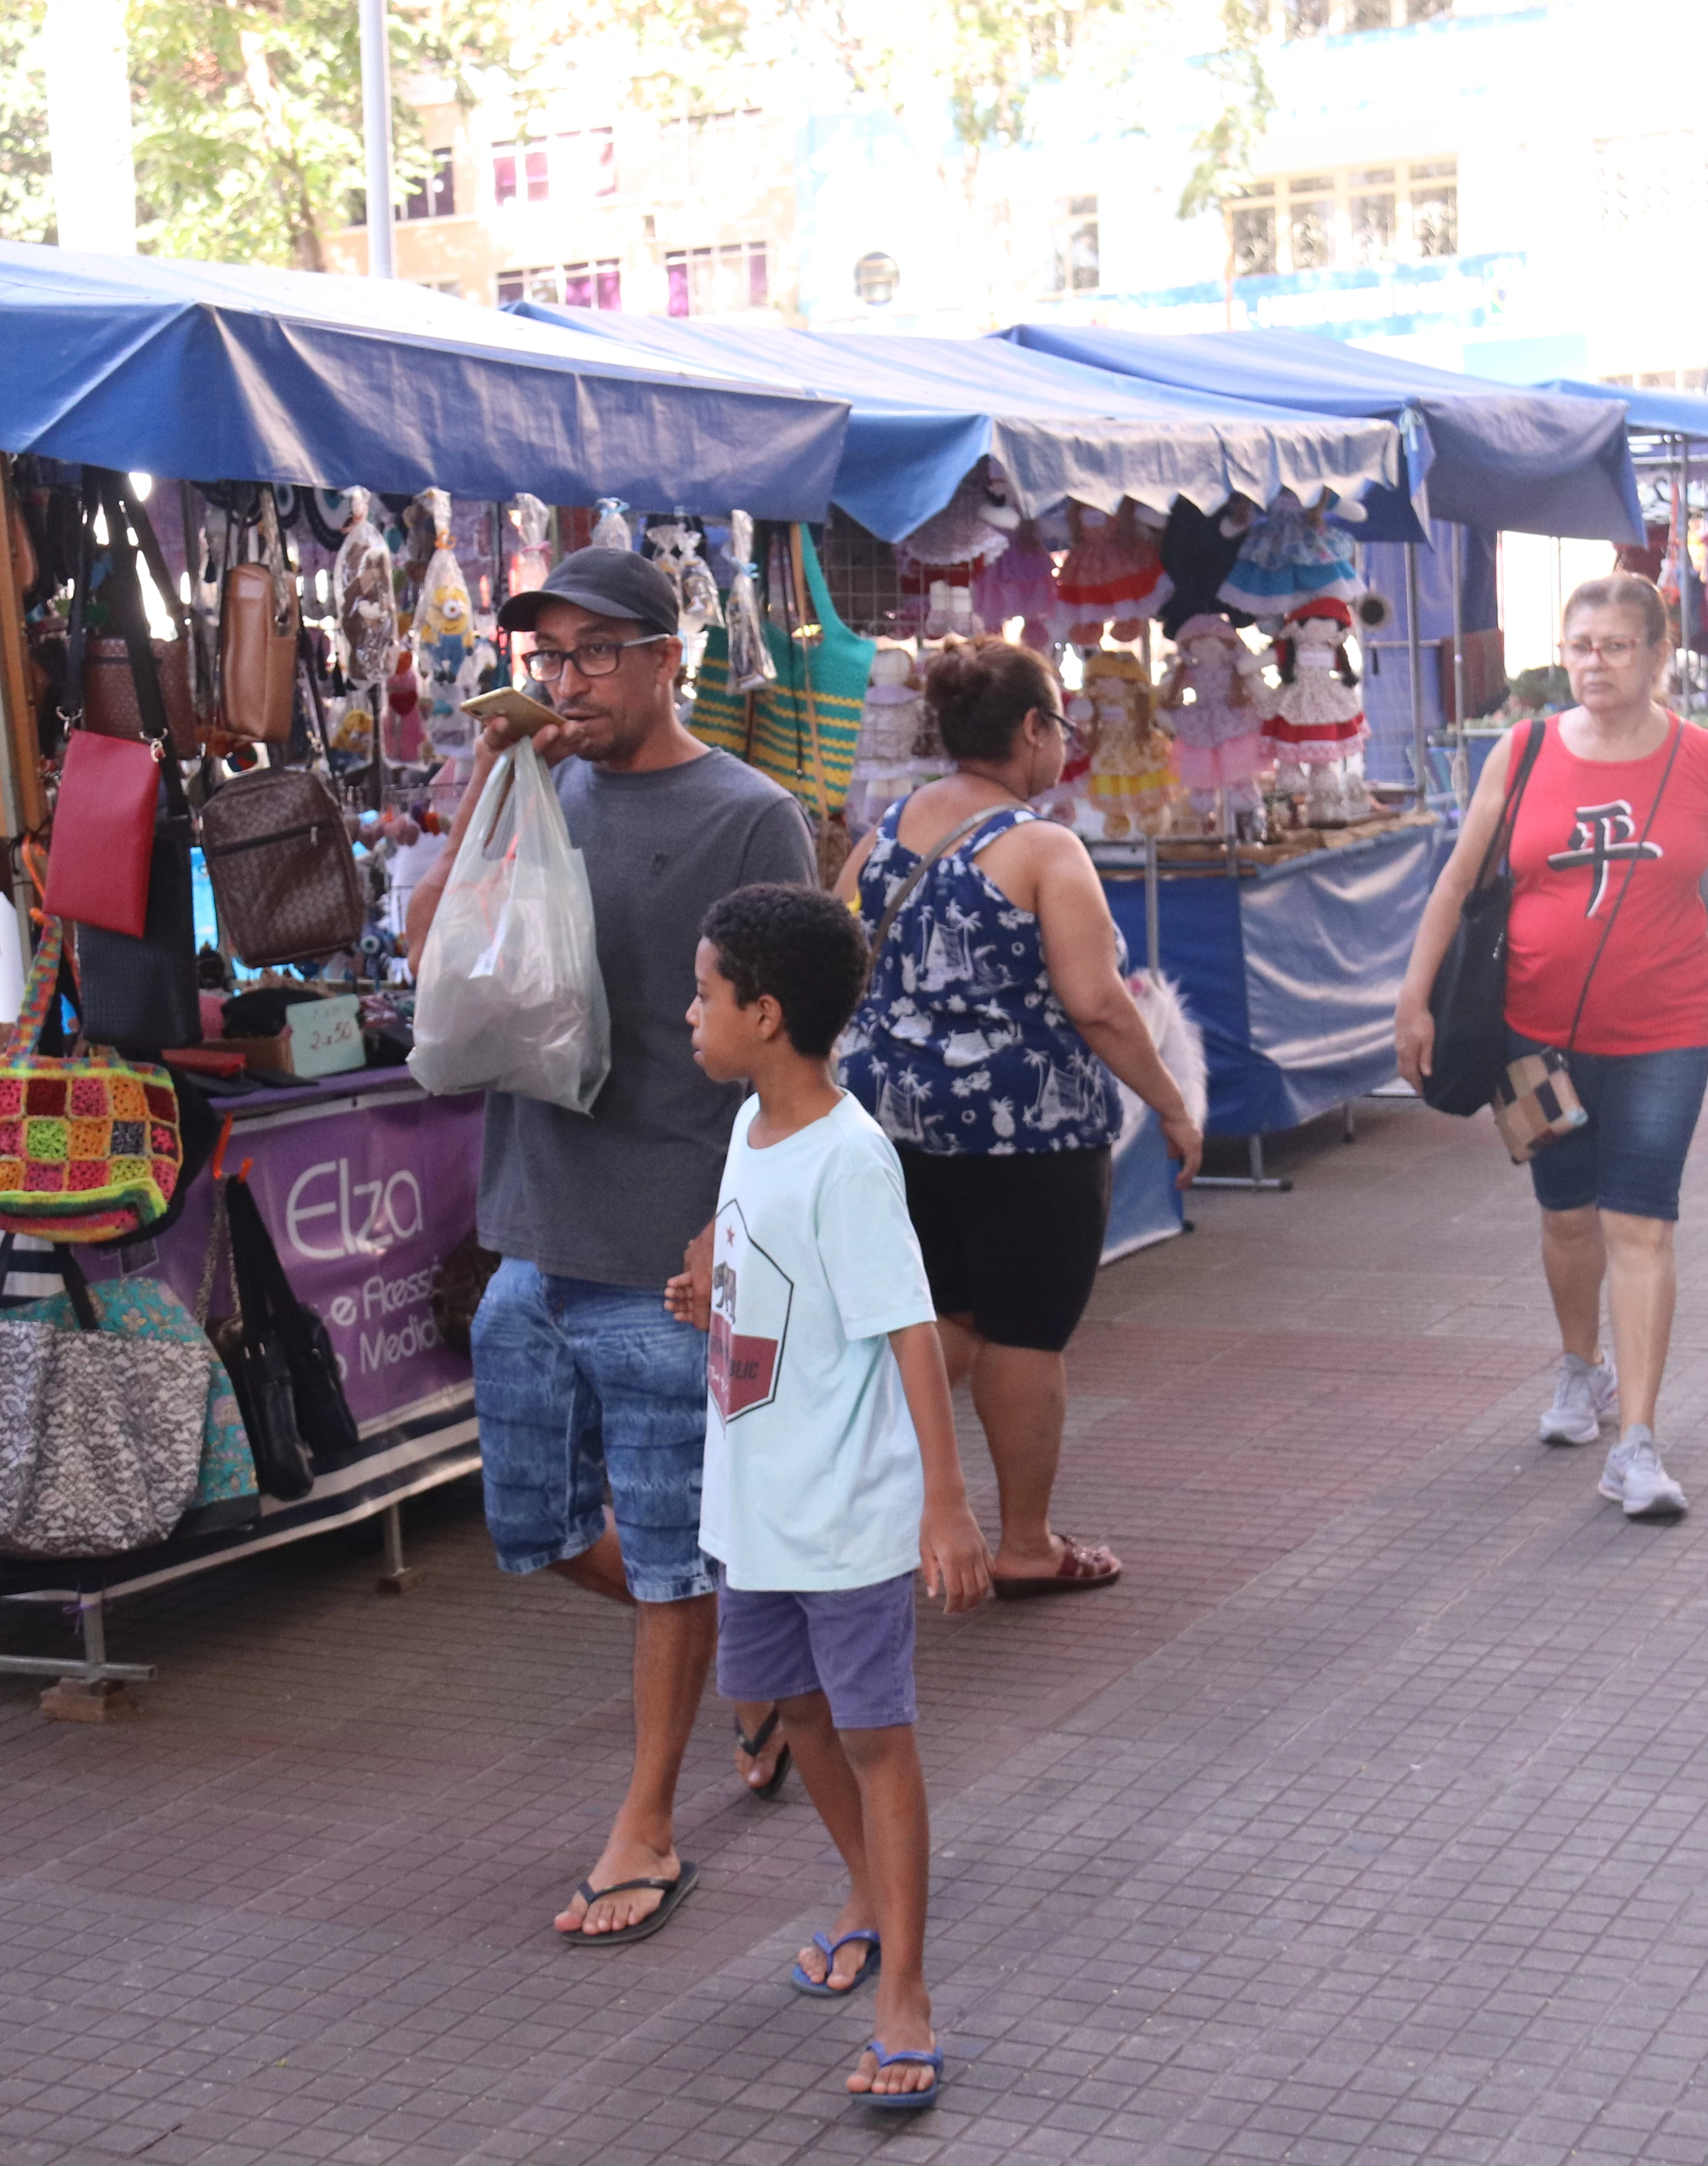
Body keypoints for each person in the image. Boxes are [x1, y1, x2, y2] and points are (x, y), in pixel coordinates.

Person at [407, 545, 815, 1945]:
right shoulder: (542, 790)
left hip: (669, 1255)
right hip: (533, 1229)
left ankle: (647, 1827)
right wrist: (486, 788)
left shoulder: (750, 818)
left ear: (663, 660)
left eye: (594, 654)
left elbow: (796, 1058)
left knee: (664, 1557)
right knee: (537, 1527)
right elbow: (431, 963)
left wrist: (723, 1220)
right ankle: (755, 1648)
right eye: (549, 658)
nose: (568, 683)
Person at [664, 883, 992, 2110]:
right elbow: (759, 1261)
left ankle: (905, 1992)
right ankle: (865, 1891)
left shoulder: (851, 1157)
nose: (689, 1012)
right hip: (757, 1503)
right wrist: (710, 1290)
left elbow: (908, 1327)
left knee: (873, 1736)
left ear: (765, 1013)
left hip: (846, 1511)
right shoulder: (751, 1127)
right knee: (791, 1710)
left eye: (703, 992)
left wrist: (945, 1503)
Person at [1393, 575, 1708, 1523]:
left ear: (1659, 656)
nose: (1595, 664)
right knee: (1568, 1216)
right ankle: (1581, 1368)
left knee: (1642, 1223)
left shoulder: (1704, 758)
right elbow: (1457, 882)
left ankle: (1638, 1441)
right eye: (1581, 646)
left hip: (1668, 1034)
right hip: (1532, 1040)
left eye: (1618, 646)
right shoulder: (1523, 751)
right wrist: (1413, 1001)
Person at [829, 640, 1202, 1598]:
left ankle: (847, 1494)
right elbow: (1099, 1003)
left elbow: (835, 958)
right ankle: (1026, 1543)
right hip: (1028, 1138)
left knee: (943, 1316)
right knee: (1025, 1332)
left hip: (893, 1127)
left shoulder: (887, 830)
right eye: (1060, 726)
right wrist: (1172, 1104)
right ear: (1033, 729)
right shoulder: (1043, 849)